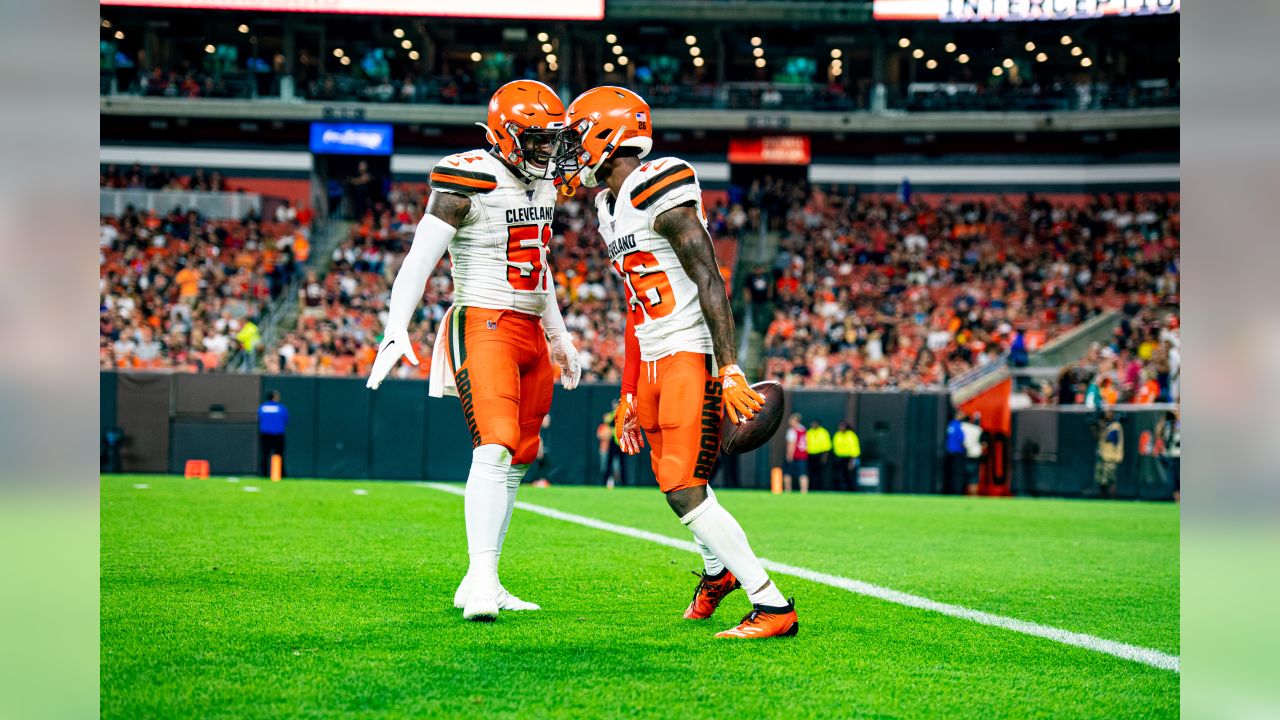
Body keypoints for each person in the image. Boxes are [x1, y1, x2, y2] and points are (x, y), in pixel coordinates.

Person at [554, 85, 798, 639]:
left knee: (683, 486)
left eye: (576, 135)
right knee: (677, 484)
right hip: (655, 353)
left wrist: (729, 367)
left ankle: (772, 604)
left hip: (691, 350)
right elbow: (635, 308)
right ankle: (717, 576)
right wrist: (628, 393)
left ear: (607, 135)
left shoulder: (657, 181)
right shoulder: (606, 205)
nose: (571, 149)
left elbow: (709, 276)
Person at [365, 80, 582, 622]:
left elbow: (540, 265)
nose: (549, 152)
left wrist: (558, 334)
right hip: (482, 320)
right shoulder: (468, 177)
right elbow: (419, 260)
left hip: (531, 327)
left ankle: (483, 576)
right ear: (505, 135)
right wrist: (396, 327)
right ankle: (482, 579)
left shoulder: (545, 187)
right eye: (537, 141)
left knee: (520, 457)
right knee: (495, 445)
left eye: (554, 141)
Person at [1093, 408, 1124, 499]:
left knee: (1111, 480)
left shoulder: (1115, 426)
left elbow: (1109, 438)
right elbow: (1098, 438)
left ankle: (1112, 500)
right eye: (1106, 411)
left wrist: (1103, 427)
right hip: (1101, 455)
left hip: (1111, 457)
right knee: (1100, 480)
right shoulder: (1104, 425)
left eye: (1109, 411)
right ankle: (1102, 501)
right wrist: (1094, 427)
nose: (1107, 413)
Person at [257, 390, 288, 477]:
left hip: (265, 434)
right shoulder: (281, 407)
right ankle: (280, 474)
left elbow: (260, 418)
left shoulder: (263, 407)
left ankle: (264, 474)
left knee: (265, 454)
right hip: (278, 434)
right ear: (274, 397)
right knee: (279, 455)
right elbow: (285, 419)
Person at [1157, 408, 1180, 502]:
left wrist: (1178, 416)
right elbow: (1158, 433)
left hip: (1180, 457)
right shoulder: (1168, 426)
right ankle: (1178, 503)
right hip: (1170, 457)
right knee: (1173, 483)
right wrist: (1163, 419)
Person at [832, 421, 861, 492]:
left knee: (850, 475)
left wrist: (852, 461)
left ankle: (852, 491)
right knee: (840, 475)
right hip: (840, 458)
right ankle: (842, 490)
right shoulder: (837, 435)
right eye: (840, 426)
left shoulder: (851, 435)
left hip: (849, 458)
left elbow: (854, 448)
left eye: (842, 426)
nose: (841, 428)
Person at [961, 411, 985, 495]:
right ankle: (973, 494)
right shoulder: (978, 429)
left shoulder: (962, 427)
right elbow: (984, 444)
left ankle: (966, 493)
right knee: (974, 476)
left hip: (965, 453)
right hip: (976, 454)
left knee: (965, 474)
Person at [784, 413, 809, 494]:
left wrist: (789, 456)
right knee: (803, 474)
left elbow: (792, 444)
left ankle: (788, 490)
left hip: (795, 455)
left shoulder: (792, 431)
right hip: (803, 455)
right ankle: (804, 491)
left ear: (795, 421)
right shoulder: (803, 429)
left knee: (787, 473)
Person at [805, 419, 832, 492]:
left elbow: (827, 447)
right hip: (810, 455)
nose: (813, 425)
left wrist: (824, 458)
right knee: (811, 473)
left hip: (820, 455)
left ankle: (819, 488)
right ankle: (811, 488)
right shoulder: (809, 432)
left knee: (819, 474)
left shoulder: (823, 432)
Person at [945, 410, 967, 494]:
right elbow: (962, 439)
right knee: (958, 473)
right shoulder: (958, 425)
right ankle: (957, 490)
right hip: (957, 452)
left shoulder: (950, 424)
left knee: (951, 472)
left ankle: (951, 490)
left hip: (950, 451)